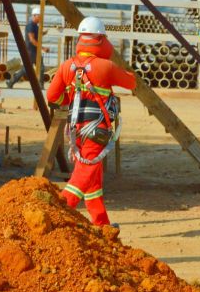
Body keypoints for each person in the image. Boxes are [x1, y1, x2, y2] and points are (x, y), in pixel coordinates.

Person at [46, 16, 136, 226]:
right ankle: (59, 213)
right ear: (100, 39)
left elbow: (52, 97)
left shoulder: (66, 66)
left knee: (93, 182)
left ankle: (101, 225)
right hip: (96, 133)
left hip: (76, 133)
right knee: (83, 175)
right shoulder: (106, 66)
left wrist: (69, 98)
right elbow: (131, 82)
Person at [6, 6, 49, 88]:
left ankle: (40, 85)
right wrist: (43, 48)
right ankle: (11, 82)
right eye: (39, 16)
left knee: (41, 68)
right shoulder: (30, 26)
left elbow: (36, 35)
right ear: (34, 15)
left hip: (35, 51)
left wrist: (43, 33)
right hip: (30, 51)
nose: (40, 18)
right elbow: (32, 40)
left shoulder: (35, 26)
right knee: (26, 70)